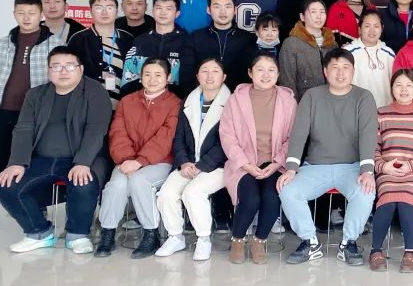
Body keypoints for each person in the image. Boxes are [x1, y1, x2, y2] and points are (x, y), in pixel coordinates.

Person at [0, 46, 112, 254]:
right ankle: (39, 232)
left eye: (69, 66)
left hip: (82, 157)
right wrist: (17, 162)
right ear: (48, 70)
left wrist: (83, 162)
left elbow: (96, 129)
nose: (63, 71)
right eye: (56, 66)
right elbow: (23, 129)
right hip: (42, 159)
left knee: (83, 181)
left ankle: (77, 235)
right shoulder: (36, 94)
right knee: (6, 184)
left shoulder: (95, 92)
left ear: (81, 69)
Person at [278, 48, 377, 265]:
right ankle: (309, 242)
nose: (340, 73)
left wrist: (367, 171)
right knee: (287, 189)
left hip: (352, 167)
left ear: (353, 71)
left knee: (365, 192)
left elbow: (368, 135)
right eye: (335, 68)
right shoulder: (312, 96)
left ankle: (348, 243)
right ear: (325, 71)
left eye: (346, 68)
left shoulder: (364, 97)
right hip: (316, 166)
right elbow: (299, 133)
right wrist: (291, 168)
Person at [0, 0, 63, 234]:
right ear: (14, 14)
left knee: (35, 164)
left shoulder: (54, 46)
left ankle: (37, 209)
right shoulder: (1, 44)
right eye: (21, 13)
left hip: (37, 116)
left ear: (41, 15)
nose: (26, 18)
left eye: (32, 13)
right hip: (4, 111)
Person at [96, 58, 182, 259]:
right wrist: (128, 159)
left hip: (160, 161)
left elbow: (166, 138)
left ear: (168, 78)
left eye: (158, 75)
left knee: (140, 181)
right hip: (127, 160)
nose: (152, 79)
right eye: (147, 74)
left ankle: (151, 233)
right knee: (116, 185)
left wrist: (140, 162)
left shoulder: (175, 104)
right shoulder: (127, 101)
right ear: (140, 77)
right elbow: (117, 133)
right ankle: (108, 232)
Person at [221, 54, 297, 265]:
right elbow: (227, 136)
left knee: (272, 197)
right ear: (250, 73)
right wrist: (246, 165)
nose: (266, 75)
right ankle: (237, 239)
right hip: (244, 162)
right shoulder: (236, 100)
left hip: (276, 163)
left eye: (271, 70)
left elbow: (293, 137)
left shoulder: (288, 101)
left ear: (278, 74)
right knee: (251, 198)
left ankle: (259, 240)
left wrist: (277, 163)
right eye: (260, 70)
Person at [154, 58, 231, 261]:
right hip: (188, 164)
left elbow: (228, 142)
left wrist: (202, 165)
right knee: (166, 194)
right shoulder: (188, 102)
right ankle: (175, 237)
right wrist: (183, 161)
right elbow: (178, 137)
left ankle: (203, 239)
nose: (209, 75)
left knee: (193, 192)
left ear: (224, 77)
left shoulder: (232, 104)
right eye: (204, 71)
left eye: (215, 71)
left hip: (218, 166)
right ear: (197, 76)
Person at [368, 70, 413, 272]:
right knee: (388, 199)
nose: (403, 90)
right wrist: (383, 166)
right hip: (388, 169)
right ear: (391, 88)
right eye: (398, 85)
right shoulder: (381, 113)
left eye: (408, 85)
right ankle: (376, 251)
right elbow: (373, 147)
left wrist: (411, 166)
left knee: (406, 197)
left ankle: (410, 252)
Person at [183, 0, 256, 95]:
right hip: (203, 96)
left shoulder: (248, 39)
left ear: (235, 10)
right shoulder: (195, 37)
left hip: (238, 97)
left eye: (227, 6)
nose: (223, 12)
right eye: (217, 7)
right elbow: (187, 73)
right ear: (209, 10)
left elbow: (253, 73)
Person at [68, 0, 135, 106]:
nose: (104, 12)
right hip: (89, 103)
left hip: (124, 104)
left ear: (117, 11)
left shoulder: (128, 38)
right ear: (91, 11)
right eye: (99, 8)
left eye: (109, 7)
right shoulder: (78, 39)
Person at [121, 0, 190, 97]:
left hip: (175, 102)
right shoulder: (140, 41)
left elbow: (189, 80)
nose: (163, 12)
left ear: (177, 14)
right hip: (141, 102)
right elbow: (128, 77)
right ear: (152, 11)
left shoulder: (187, 41)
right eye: (159, 8)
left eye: (168, 8)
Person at [279, 0, 338, 100]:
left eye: (322, 12)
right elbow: (287, 80)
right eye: (313, 12)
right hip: (304, 101)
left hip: (331, 101)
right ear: (302, 17)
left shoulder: (332, 43)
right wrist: (294, 104)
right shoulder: (291, 43)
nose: (319, 16)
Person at [345, 9, 396, 108]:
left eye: (376, 26)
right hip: (358, 108)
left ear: (382, 28)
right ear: (360, 28)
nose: (372, 30)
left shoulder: (389, 53)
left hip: (385, 108)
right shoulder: (348, 52)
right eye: (367, 26)